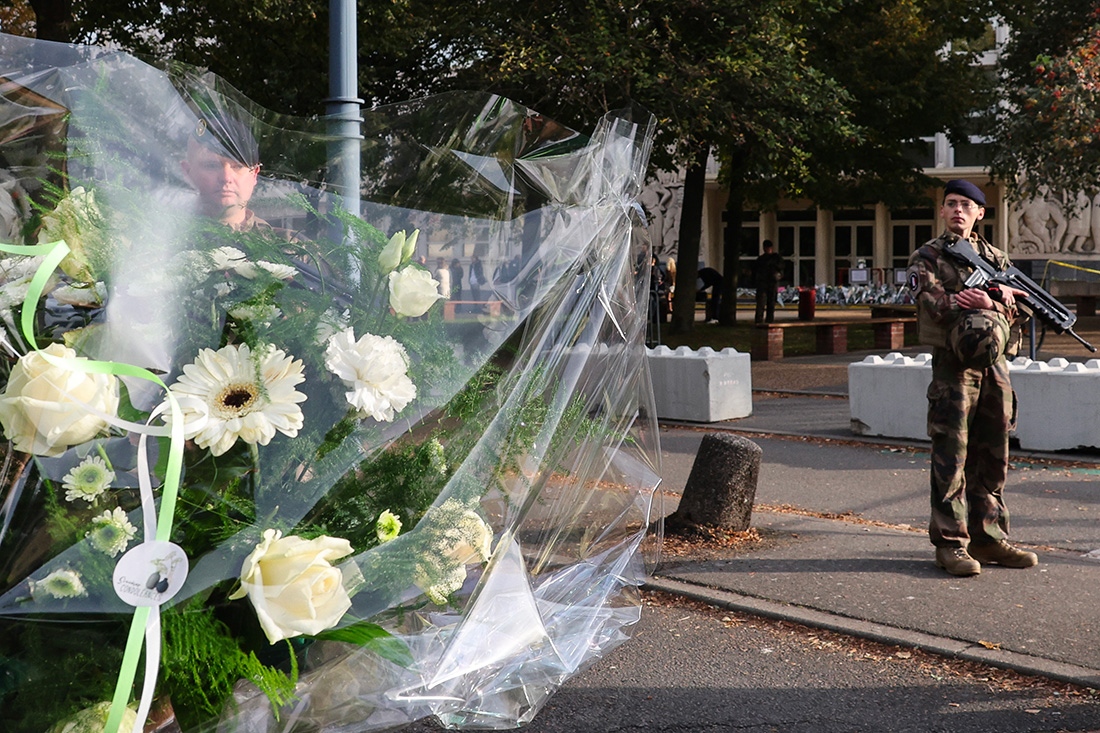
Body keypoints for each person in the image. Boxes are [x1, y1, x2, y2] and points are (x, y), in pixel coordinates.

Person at [906, 179, 1038, 577]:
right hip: (952, 366)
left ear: (981, 213)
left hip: (995, 366)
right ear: (943, 212)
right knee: (953, 452)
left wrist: (995, 301)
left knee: (994, 452)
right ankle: (950, 544)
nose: (958, 210)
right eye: (951, 204)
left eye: (966, 205)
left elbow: (1027, 307)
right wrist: (975, 298)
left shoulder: (997, 259)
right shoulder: (927, 256)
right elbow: (931, 304)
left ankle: (989, 538)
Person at [752, 240, 784, 324]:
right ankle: (760, 320)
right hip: (764, 283)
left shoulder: (774, 258)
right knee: (762, 303)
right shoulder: (763, 259)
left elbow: (781, 267)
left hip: (771, 282)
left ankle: (767, 320)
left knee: (770, 302)